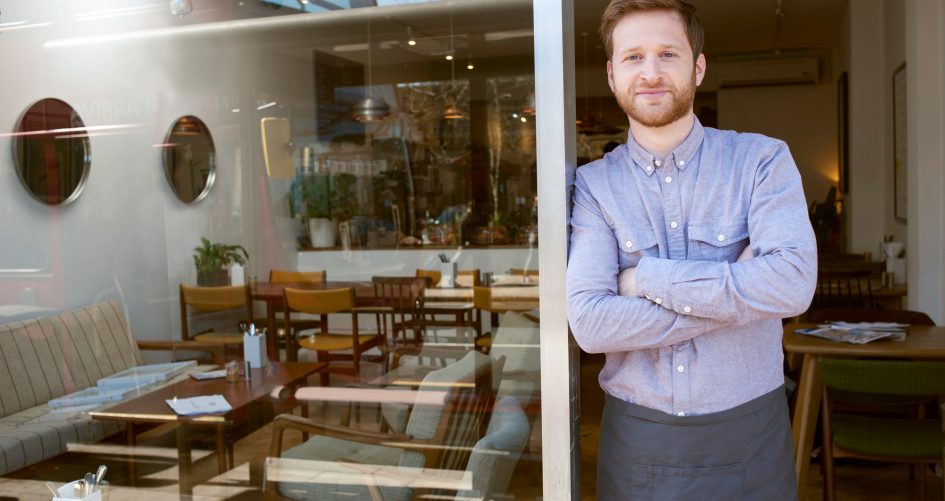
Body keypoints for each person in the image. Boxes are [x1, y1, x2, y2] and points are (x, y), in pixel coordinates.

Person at [565, 1, 817, 499]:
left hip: (752, 435)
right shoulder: (593, 186)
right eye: (634, 57)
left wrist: (645, 280)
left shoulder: (762, 160)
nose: (651, 72)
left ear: (698, 67)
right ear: (613, 75)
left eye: (668, 53)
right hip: (639, 441)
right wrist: (740, 300)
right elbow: (591, 325)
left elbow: (792, 284)